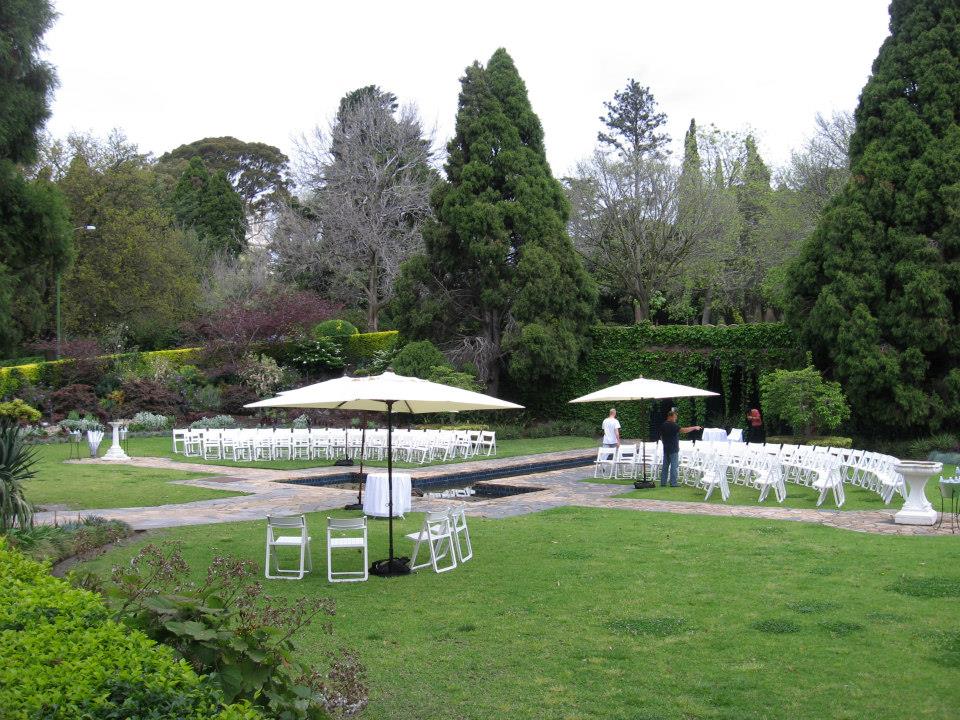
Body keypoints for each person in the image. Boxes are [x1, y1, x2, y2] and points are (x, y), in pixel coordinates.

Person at [660, 409, 701, 487]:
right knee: (674, 466)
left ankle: (663, 483)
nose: (675, 419)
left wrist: (665, 443)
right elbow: (684, 430)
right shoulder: (673, 425)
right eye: (675, 417)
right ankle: (673, 483)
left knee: (665, 466)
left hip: (666, 448)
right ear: (670, 417)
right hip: (673, 449)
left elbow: (661, 436)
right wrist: (694, 427)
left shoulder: (663, 425)